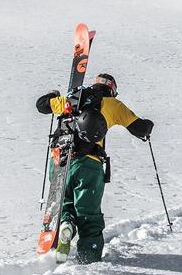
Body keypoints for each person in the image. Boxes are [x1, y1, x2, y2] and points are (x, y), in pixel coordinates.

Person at [36, 73, 154, 263]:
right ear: (112, 89)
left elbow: (42, 105)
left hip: (58, 161)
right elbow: (140, 127)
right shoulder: (112, 105)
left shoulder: (72, 98)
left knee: (63, 203)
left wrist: (52, 96)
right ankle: (88, 260)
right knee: (88, 214)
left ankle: (66, 224)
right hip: (88, 164)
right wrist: (149, 127)